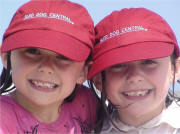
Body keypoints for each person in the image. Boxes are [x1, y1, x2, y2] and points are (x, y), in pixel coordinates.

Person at [0, 0, 98, 133]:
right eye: (33, 51)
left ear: (84, 72)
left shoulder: (87, 104)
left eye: (64, 56)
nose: (46, 67)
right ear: (6, 57)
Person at [88, 8, 180, 134]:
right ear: (98, 79)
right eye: (118, 65)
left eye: (148, 62)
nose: (134, 76)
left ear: (175, 69)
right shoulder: (83, 130)